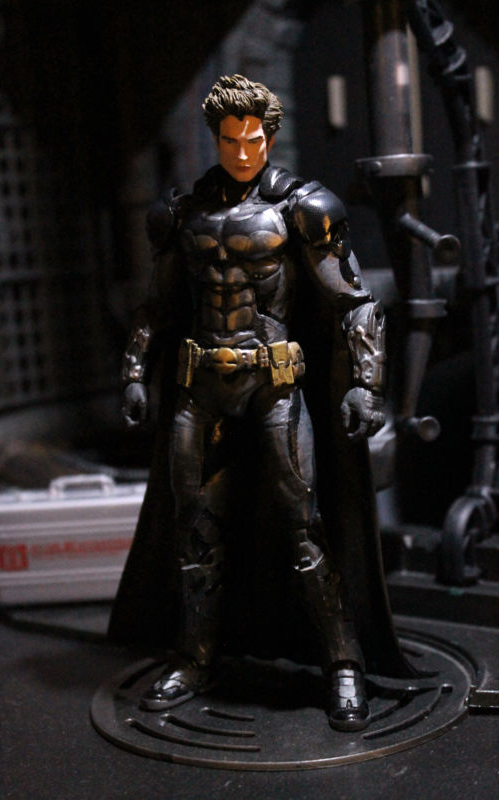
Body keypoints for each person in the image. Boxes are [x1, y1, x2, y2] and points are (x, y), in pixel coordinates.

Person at [110, 74, 405, 732]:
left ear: (269, 136)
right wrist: (133, 372)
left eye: (253, 140)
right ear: (214, 138)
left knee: (305, 529)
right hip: (201, 387)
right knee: (195, 531)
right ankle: (195, 657)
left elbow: (354, 302)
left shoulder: (302, 209)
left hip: (274, 386)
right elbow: (155, 305)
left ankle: (343, 664)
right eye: (229, 141)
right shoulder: (183, 214)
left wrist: (366, 383)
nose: (242, 153)